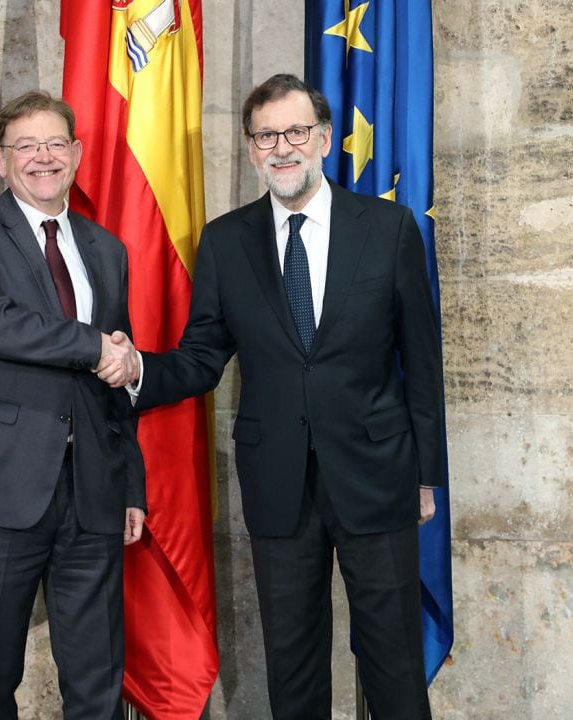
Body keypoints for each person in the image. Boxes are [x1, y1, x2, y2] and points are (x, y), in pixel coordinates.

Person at [126, 74, 445, 719]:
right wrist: (134, 368)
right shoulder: (225, 241)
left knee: (393, 661)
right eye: (266, 135)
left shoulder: (388, 228)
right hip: (279, 483)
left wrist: (427, 476)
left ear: (324, 139)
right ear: (250, 149)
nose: (282, 147)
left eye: (296, 132)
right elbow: (200, 358)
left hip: (378, 476)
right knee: (293, 666)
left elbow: (422, 362)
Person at [0, 90, 146, 720]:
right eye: (26, 145)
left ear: (76, 154)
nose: (43, 158)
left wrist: (131, 483)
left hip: (93, 493)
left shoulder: (106, 249)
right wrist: (93, 344)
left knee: (97, 685)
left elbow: (114, 376)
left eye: (55, 144)